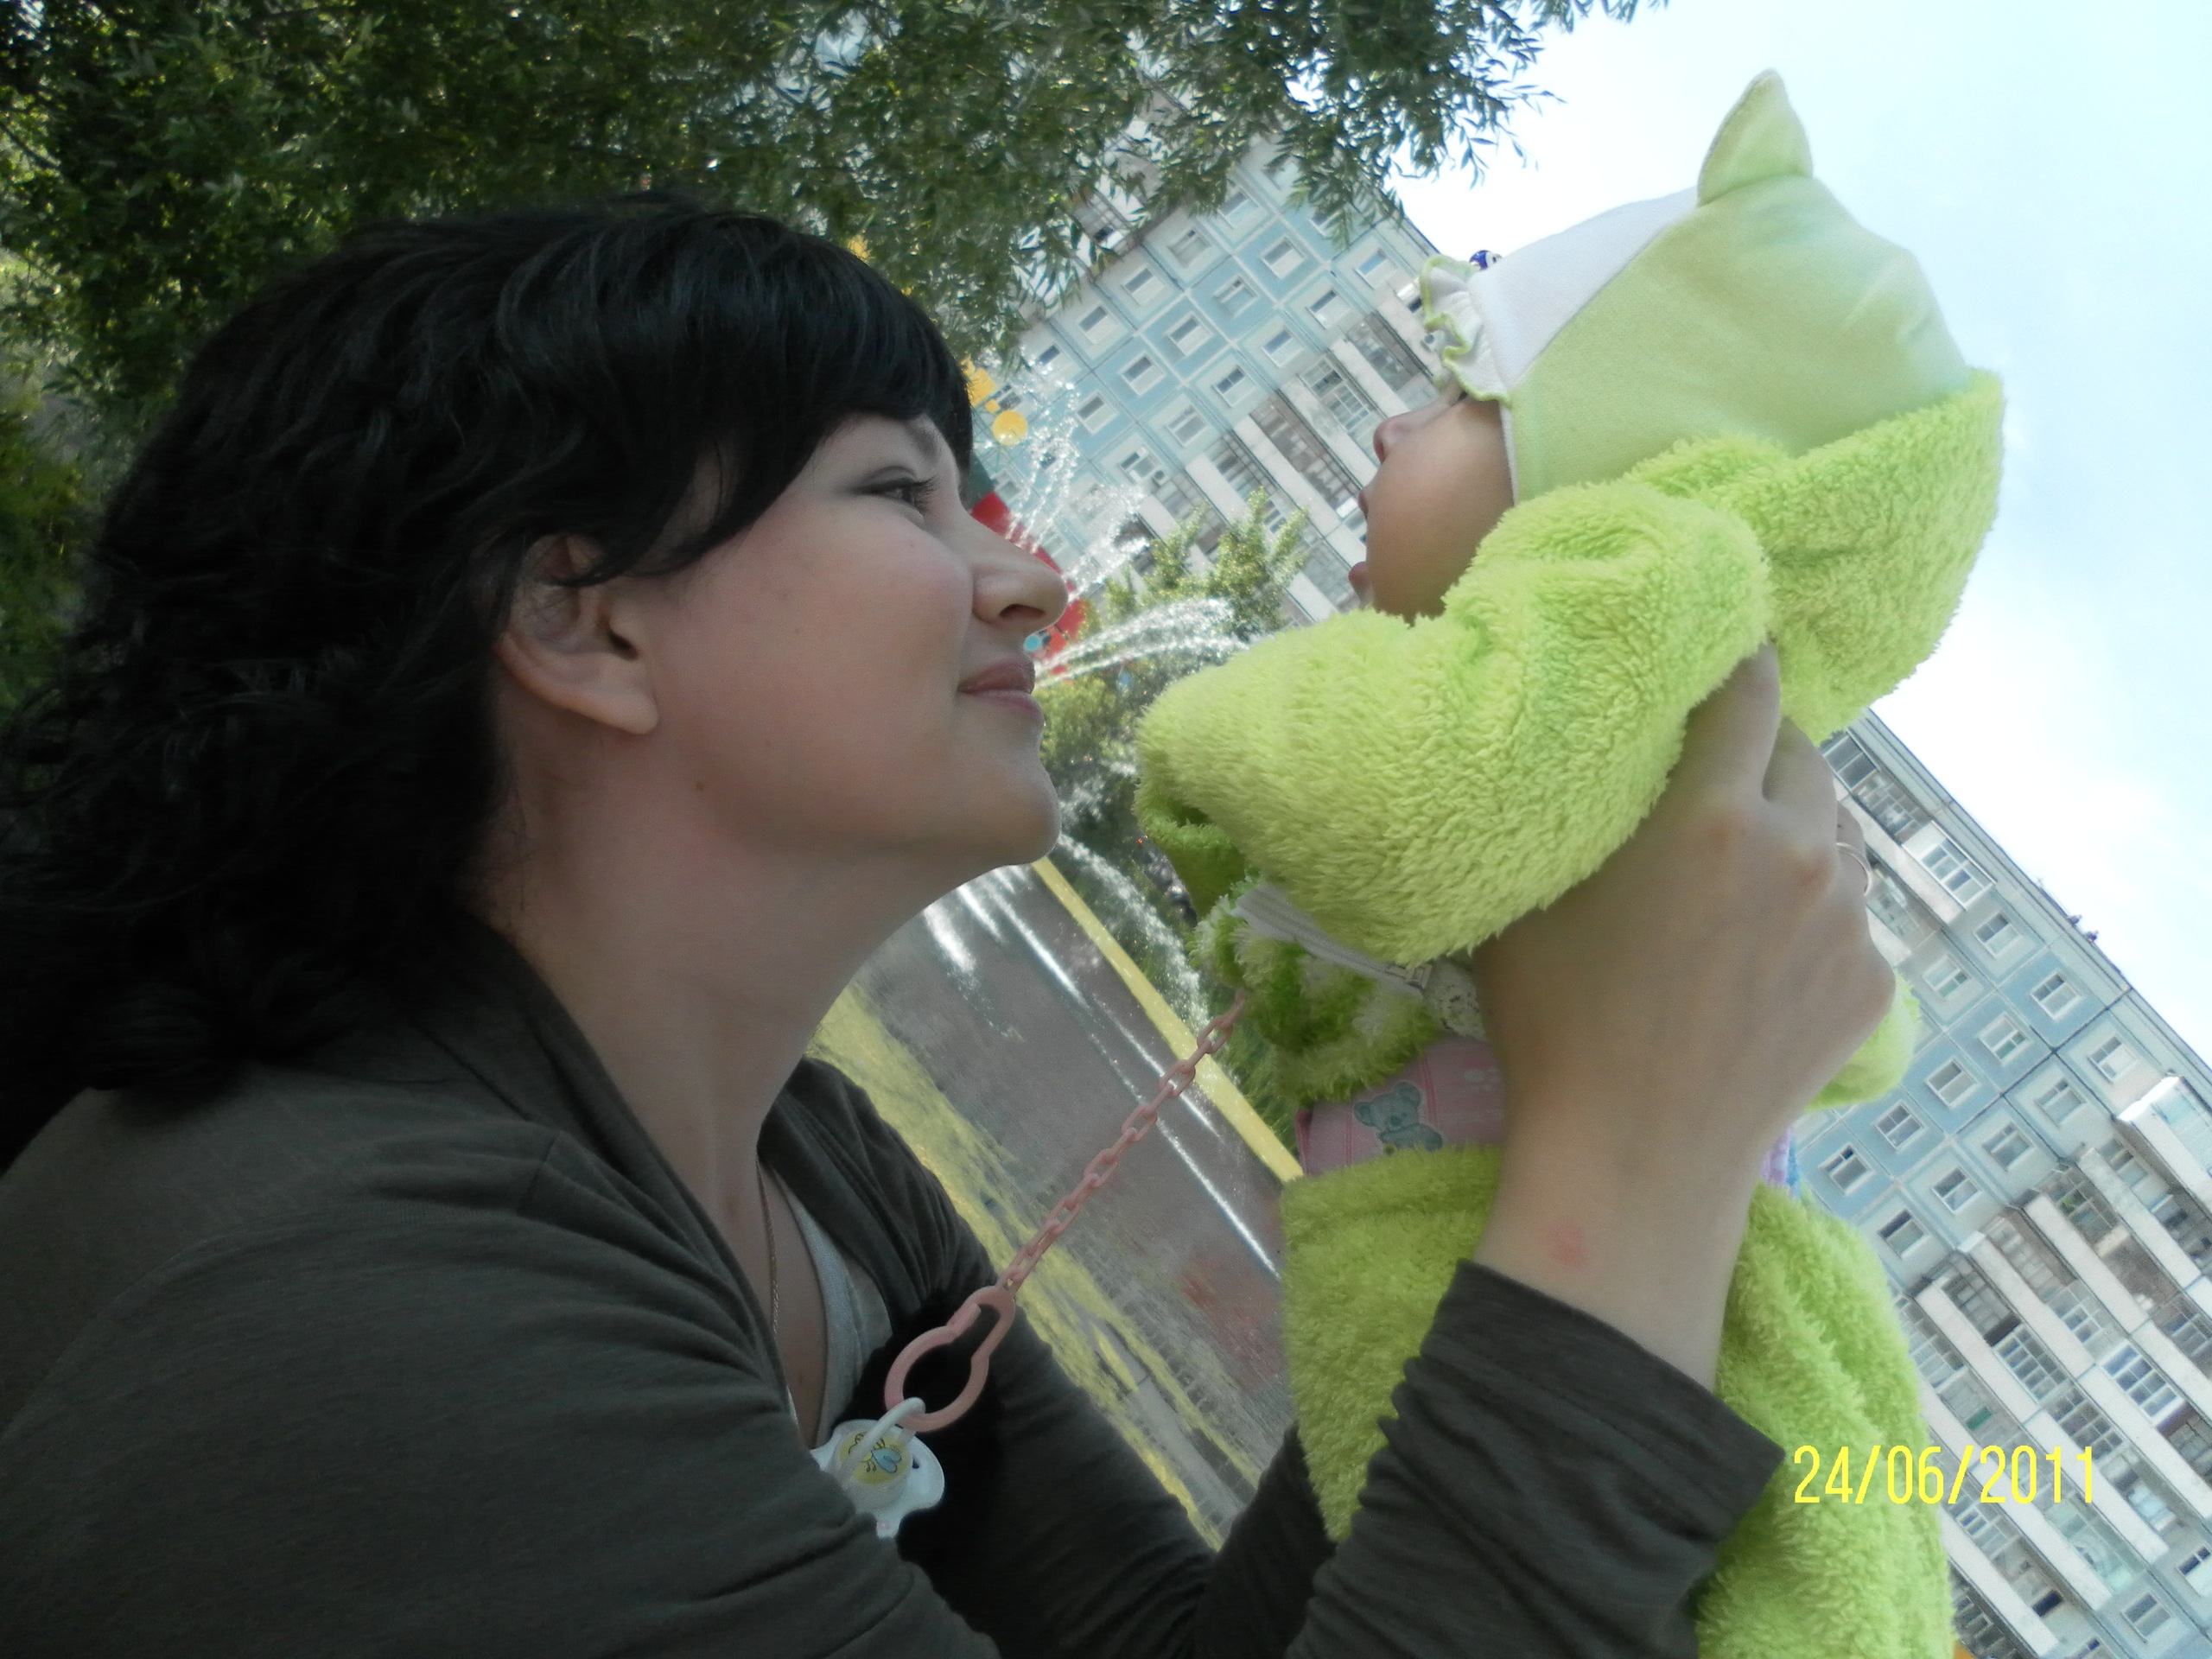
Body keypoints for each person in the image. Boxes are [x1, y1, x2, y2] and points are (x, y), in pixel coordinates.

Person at [1, 198, 1884, 1657]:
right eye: (902, 490)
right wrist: (1638, 1159)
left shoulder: (813, 1179)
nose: (1035, 583)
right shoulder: (353, 1313)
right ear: (585, 621)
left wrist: (1497, 1099)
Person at [1133, 74, 2002, 1656]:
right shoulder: (1701, 758)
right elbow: (1858, 1035)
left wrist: (1193, 738)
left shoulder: (1629, 606)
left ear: (1622, 486)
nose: (1392, 425)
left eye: (1463, 390)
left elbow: (1396, 813)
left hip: (1518, 1305)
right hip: (1699, 1310)